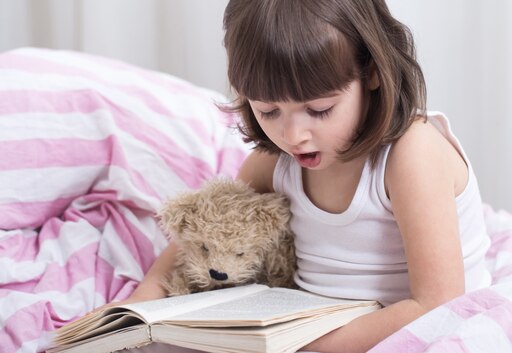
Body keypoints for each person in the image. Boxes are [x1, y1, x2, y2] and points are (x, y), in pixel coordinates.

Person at [114, 0, 492, 352]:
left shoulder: (411, 154)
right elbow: (205, 226)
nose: (293, 136)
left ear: (372, 73)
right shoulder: (275, 160)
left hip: (399, 328)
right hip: (312, 325)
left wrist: (310, 348)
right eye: (268, 111)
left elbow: (438, 302)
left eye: (319, 109)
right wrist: (146, 294)